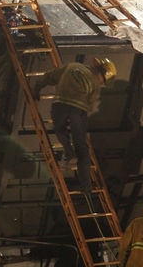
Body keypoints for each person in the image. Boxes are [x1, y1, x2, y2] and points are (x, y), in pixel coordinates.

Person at [31, 58, 117, 193]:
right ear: (102, 74)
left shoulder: (72, 66)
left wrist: (37, 88)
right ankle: (86, 186)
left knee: (59, 130)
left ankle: (68, 150)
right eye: (103, 81)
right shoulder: (95, 84)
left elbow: (49, 77)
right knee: (82, 147)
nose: (102, 84)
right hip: (78, 110)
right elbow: (91, 104)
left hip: (59, 105)